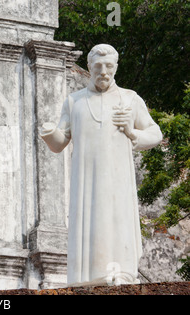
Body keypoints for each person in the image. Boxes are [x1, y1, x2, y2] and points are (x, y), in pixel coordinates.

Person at [40, 44, 163, 286]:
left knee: (117, 217)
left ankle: (122, 272)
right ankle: (85, 276)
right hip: (85, 180)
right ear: (89, 67)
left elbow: (155, 133)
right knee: (89, 220)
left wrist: (131, 132)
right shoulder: (74, 101)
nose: (103, 72)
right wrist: (49, 132)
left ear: (116, 67)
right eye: (97, 66)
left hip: (118, 177)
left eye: (108, 66)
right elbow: (58, 143)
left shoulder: (130, 99)